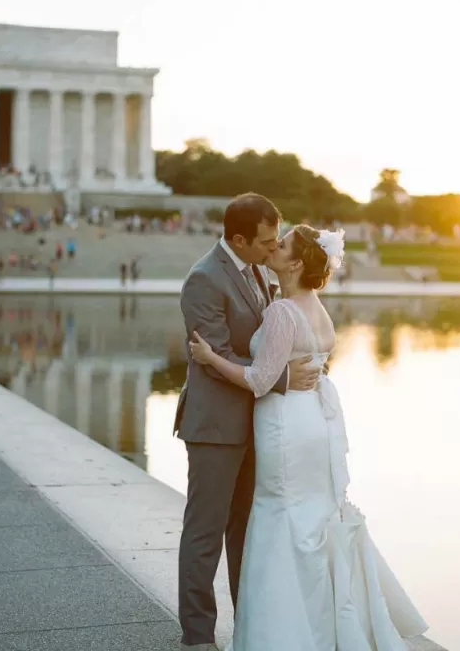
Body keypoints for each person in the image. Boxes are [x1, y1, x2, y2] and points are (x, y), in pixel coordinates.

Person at [189, 223, 428, 651]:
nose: (272, 249)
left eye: (280, 246)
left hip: (284, 423)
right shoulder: (316, 306)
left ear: (297, 262)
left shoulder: (283, 311)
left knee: (278, 514)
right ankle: (319, 625)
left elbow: (261, 379)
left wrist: (210, 357)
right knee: (312, 516)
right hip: (315, 423)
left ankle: (281, 633)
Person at [175, 193, 321, 651]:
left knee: (246, 532)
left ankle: (249, 625)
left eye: (276, 239)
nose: (271, 248)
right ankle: (198, 636)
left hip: (256, 426)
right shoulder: (203, 280)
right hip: (215, 428)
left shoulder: (258, 268)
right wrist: (283, 379)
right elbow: (215, 354)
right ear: (237, 239)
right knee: (205, 532)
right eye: (263, 241)